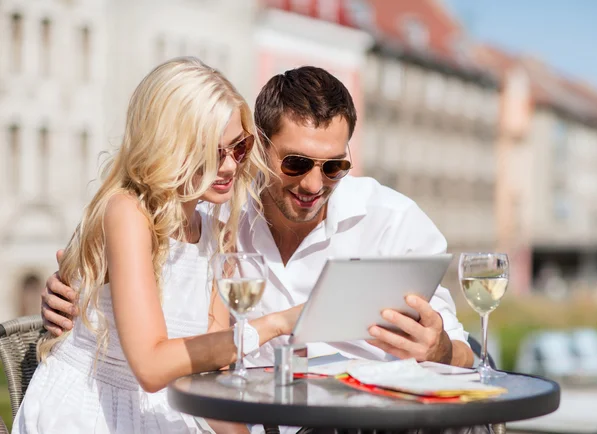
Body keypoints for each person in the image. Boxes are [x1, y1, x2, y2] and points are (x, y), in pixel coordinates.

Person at [42, 66, 479, 433]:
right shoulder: (224, 216)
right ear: (265, 147)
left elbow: (466, 359)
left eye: (335, 167)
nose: (313, 184)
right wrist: (74, 296)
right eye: (296, 163)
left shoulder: (392, 221)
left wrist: (437, 348)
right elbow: (163, 335)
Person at [14, 57, 300, 434]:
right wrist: (277, 324)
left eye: (239, 147)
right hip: (94, 411)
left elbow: (208, 373)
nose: (230, 166)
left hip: (169, 408)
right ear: (170, 147)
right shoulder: (128, 213)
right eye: (213, 152)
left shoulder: (216, 232)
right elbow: (150, 368)